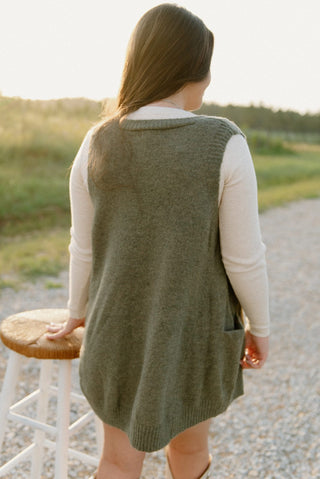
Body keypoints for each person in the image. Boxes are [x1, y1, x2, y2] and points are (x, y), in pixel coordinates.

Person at [46, 4, 270, 479]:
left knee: (117, 461)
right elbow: (244, 258)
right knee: (189, 453)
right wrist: (261, 327)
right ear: (193, 69)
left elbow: (82, 246)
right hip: (196, 333)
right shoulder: (225, 141)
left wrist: (76, 311)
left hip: (114, 333)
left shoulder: (96, 141)